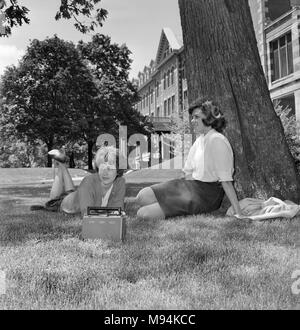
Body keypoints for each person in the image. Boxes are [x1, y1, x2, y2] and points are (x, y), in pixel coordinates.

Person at [135, 100, 243, 220]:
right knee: (142, 196)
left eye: (196, 117)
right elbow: (187, 171)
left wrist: (239, 212)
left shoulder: (217, 140)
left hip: (206, 195)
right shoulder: (200, 140)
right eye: (192, 117)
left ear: (209, 118)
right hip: (190, 186)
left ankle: (168, 207)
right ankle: (168, 205)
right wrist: (178, 188)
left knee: (143, 214)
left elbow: (226, 181)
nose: (192, 121)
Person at [31, 146, 126, 216]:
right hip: (63, 203)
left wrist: (115, 211)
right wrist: (113, 212)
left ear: (118, 171)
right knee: (53, 199)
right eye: (102, 167)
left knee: (70, 191)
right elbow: (88, 212)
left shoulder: (120, 182)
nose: (105, 173)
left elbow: (118, 209)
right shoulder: (89, 181)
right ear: (97, 167)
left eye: (110, 168)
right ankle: (60, 164)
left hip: (74, 195)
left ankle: (61, 163)